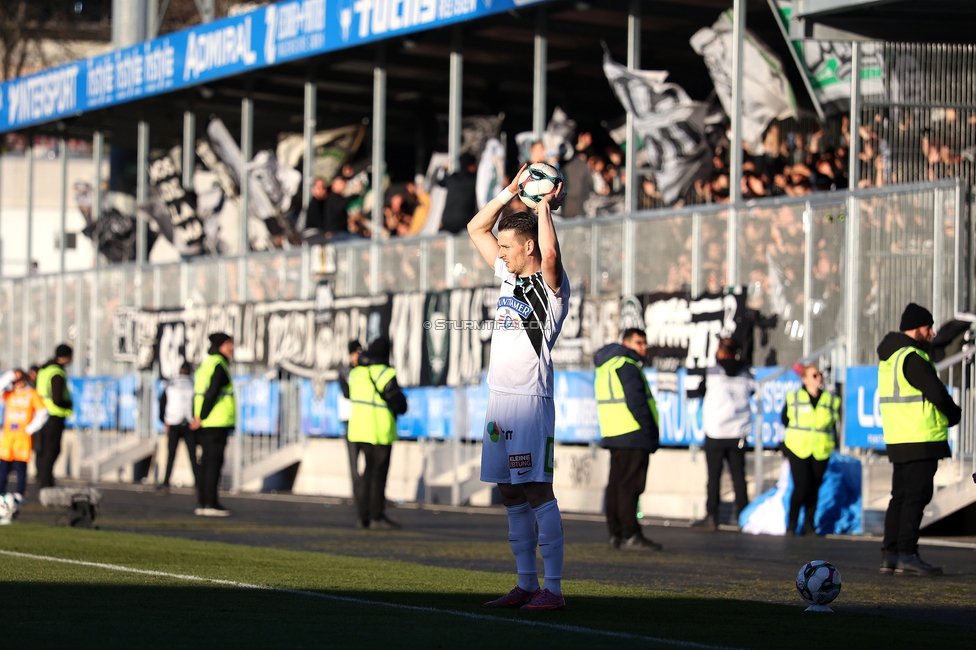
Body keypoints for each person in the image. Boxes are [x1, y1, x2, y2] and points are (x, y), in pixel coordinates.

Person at [468, 164, 571, 611]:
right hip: (499, 400)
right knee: (508, 492)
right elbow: (476, 226)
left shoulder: (551, 286)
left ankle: (555, 589)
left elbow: (549, 255)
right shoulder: (508, 275)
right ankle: (526, 584)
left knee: (536, 490)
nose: (502, 253)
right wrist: (510, 191)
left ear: (527, 245)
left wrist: (543, 206)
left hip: (530, 400)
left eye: (508, 247)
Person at [877, 303, 960, 576]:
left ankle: (890, 554)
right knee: (916, 496)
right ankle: (907, 554)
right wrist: (954, 414)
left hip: (899, 436)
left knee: (899, 497)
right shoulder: (912, 357)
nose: (932, 332)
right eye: (928, 327)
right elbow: (936, 392)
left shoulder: (890, 357)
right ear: (915, 328)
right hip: (921, 437)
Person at [594, 328, 662, 551]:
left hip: (614, 432)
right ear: (626, 343)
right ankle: (630, 533)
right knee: (630, 487)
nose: (643, 348)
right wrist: (651, 432)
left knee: (616, 485)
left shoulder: (607, 365)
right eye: (638, 343)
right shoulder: (627, 365)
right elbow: (637, 402)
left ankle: (616, 533)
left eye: (644, 343)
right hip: (633, 432)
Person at [693, 338, 754, 532]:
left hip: (716, 431)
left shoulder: (712, 371)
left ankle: (712, 516)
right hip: (738, 432)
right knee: (738, 477)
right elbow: (752, 392)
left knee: (714, 477)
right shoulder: (746, 373)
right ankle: (744, 516)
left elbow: (699, 390)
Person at [347, 337, 408, 529]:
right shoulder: (385, 373)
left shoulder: (356, 373)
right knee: (378, 475)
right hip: (380, 430)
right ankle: (377, 516)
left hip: (359, 429)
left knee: (367, 473)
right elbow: (399, 403)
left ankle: (363, 517)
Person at [781, 365, 841, 536]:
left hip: (821, 448)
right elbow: (785, 419)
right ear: (804, 379)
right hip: (798, 447)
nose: (818, 378)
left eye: (819, 375)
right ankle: (791, 524)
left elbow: (833, 423)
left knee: (814, 487)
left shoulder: (830, 400)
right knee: (802, 486)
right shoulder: (794, 397)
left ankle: (809, 524)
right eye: (814, 375)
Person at [191, 333, 236, 517]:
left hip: (205, 422)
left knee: (205, 464)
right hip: (216, 422)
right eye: (228, 344)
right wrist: (202, 416)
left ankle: (204, 501)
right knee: (213, 464)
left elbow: (199, 392)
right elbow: (212, 392)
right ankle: (210, 503)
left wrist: (197, 417)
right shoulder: (219, 365)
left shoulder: (205, 364)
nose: (231, 348)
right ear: (220, 346)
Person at [0, 369, 47, 512]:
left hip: (22, 438)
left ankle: (19, 494)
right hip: (8, 437)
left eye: (20, 380)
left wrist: (31, 428)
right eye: (15, 381)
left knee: (21, 468)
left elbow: (43, 412)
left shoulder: (31, 394)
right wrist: (11, 375)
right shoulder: (9, 394)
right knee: (3, 468)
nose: (17, 383)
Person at [34, 344, 74, 489]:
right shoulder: (57, 372)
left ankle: (41, 479)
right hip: (54, 415)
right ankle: (46, 482)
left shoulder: (45, 369)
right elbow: (57, 398)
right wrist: (68, 404)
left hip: (41, 414)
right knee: (52, 449)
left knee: (42, 448)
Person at [157, 362, 200, 493]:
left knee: (171, 456)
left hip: (173, 423)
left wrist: (164, 420)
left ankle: (165, 483)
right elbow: (197, 403)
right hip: (188, 423)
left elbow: (162, 403)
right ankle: (199, 484)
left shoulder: (171, 384)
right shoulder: (193, 384)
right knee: (193, 456)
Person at [339, 340, 364, 497]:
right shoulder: (346, 372)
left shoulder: (363, 371)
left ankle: (366, 493)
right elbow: (349, 392)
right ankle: (358, 493)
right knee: (354, 462)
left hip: (364, 419)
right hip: (351, 420)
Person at [438, 153, 480, 234]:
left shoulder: (452, 178)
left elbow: (439, 181)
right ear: (471, 166)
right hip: (464, 225)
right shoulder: (474, 181)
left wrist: (444, 169)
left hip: (446, 222)